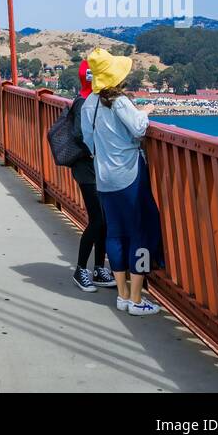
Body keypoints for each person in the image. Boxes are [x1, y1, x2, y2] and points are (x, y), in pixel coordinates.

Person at [80, 48, 164, 316]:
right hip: (129, 175)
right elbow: (139, 129)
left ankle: (123, 294)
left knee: (115, 234)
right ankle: (137, 300)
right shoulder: (118, 100)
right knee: (139, 234)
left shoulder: (89, 104)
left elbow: (88, 141)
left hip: (103, 177)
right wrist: (146, 111)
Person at [68, 59, 116, 292]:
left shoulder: (93, 100)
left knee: (103, 220)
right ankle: (80, 270)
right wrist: (99, 149)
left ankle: (98, 269)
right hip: (86, 170)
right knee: (97, 220)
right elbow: (80, 136)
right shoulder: (83, 103)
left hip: (97, 169)